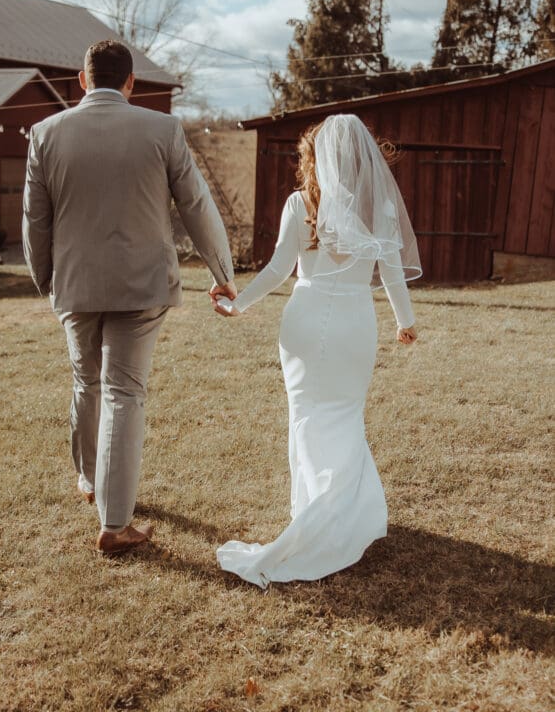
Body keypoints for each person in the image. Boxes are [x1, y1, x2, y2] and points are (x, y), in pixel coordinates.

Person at [23, 40, 235, 554]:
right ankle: (114, 525)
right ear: (131, 82)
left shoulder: (45, 133)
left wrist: (45, 278)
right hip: (141, 284)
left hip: (75, 284)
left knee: (86, 382)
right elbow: (196, 205)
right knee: (124, 391)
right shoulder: (162, 129)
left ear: (81, 79)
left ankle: (90, 481)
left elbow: (34, 220)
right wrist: (222, 271)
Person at [210, 113, 421, 588]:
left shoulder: (298, 203)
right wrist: (405, 323)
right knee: (345, 414)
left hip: (304, 322)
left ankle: (311, 511)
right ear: (364, 156)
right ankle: (338, 517)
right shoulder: (380, 206)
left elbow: (277, 270)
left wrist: (238, 304)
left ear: (316, 154)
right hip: (354, 324)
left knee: (305, 416)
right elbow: (390, 273)